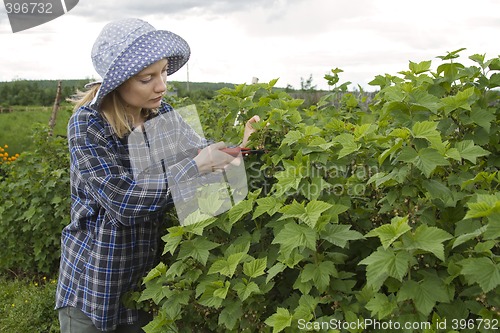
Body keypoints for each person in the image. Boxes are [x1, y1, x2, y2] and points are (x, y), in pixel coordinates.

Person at [55, 18, 260, 332]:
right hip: (95, 284)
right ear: (118, 81)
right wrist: (195, 167)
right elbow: (123, 202)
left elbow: (202, 151)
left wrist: (243, 147)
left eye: (164, 71)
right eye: (147, 78)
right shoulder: (88, 124)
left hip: (147, 285)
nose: (162, 85)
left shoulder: (163, 114)